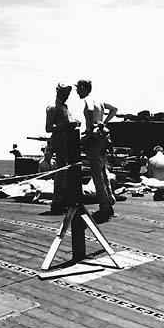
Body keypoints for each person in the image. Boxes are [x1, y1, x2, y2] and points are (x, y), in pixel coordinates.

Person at [75, 79, 118, 222]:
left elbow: (91, 109)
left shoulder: (88, 100)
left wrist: (91, 127)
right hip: (103, 138)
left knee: (97, 174)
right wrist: (104, 123)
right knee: (103, 172)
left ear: (83, 88)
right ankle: (109, 200)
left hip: (93, 139)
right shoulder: (100, 101)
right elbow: (114, 110)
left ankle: (104, 207)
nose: (77, 91)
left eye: (78, 88)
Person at [46, 83, 79, 214]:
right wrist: (65, 125)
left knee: (67, 172)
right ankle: (57, 201)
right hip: (59, 142)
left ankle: (64, 199)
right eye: (64, 94)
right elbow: (48, 128)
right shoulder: (53, 108)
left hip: (69, 142)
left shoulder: (65, 107)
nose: (66, 96)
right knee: (61, 172)